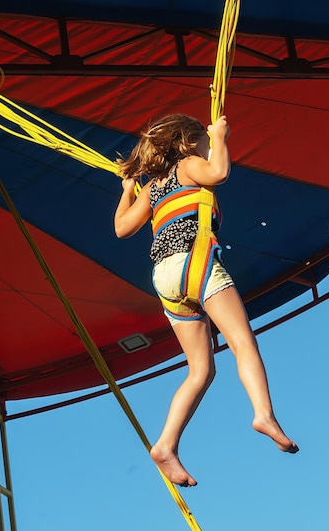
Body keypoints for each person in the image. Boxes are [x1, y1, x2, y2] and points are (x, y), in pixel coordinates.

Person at [114, 113, 298, 488]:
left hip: (166, 278)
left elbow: (121, 228)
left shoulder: (152, 187)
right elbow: (219, 173)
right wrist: (220, 137)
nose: (207, 147)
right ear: (189, 142)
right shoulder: (189, 165)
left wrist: (127, 191)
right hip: (195, 262)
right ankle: (264, 414)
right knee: (243, 342)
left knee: (201, 370)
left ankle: (165, 445)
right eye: (203, 141)